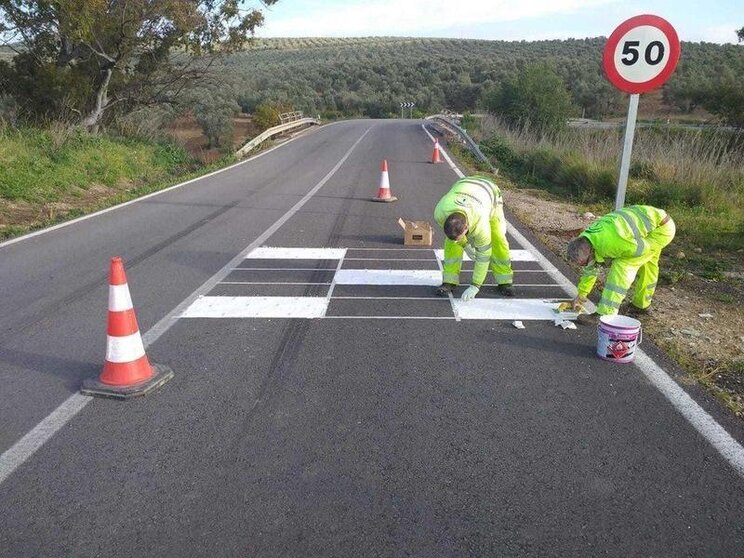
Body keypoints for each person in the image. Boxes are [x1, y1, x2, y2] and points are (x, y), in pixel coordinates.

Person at [564, 205, 675, 316]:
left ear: (590, 252)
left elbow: (640, 250)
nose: (584, 266)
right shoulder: (585, 238)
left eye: (584, 263)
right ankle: (641, 305)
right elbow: (591, 268)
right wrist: (581, 295)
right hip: (654, 220)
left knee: (623, 265)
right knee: (648, 266)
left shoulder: (612, 244)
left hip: (661, 230)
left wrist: (650, 249)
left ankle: (605, 313)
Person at [433, 175, 514, 301]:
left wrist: (475, 286)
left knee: (498, 238)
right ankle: (449, 280)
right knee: (452, 243)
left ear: (466, 227)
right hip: (463, 185)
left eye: (462, 235)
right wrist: (464, 244)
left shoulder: (481, 223)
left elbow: (483, 257)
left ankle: (505, 281)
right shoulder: (440, 213)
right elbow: (455, 237)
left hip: (489, 193)